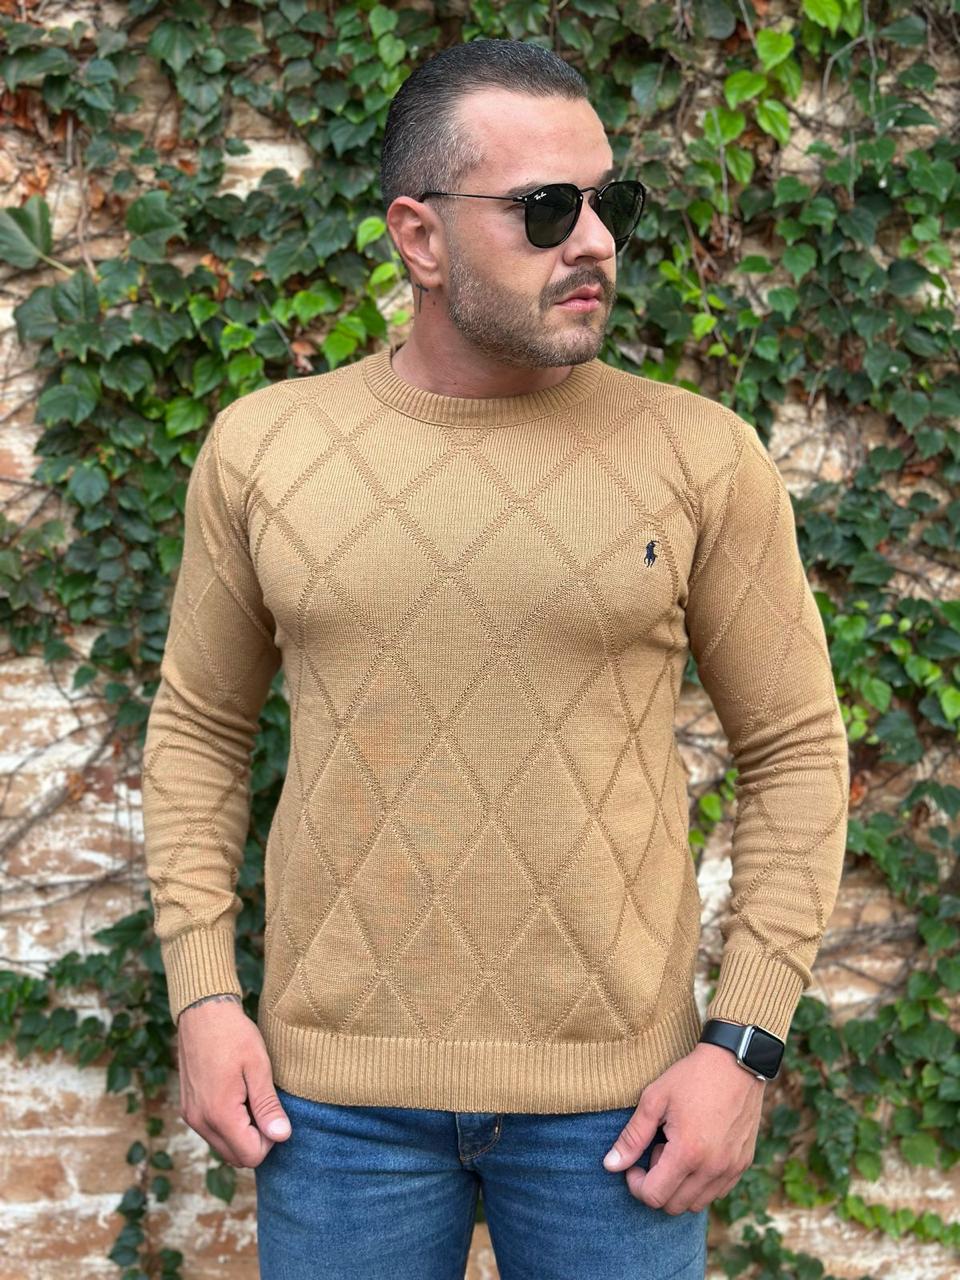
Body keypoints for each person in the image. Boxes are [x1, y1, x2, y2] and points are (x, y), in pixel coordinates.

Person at [140, 37, 850, 1280]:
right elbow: (200, 725)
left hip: (618, 1111)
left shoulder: (701, 456)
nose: (597, 242)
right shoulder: (264, 450)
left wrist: (743, 1044)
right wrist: (203, 994)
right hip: (333, 1113)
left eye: (610, 201)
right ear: (419, 237)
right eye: (546, 209)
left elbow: (794, 747)